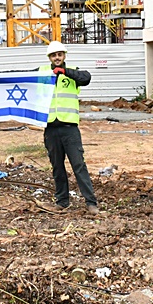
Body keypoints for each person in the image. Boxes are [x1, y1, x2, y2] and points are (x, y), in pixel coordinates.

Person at [41, 40, 98, 214]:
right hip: (51, 128)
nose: (57, 58)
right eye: (53, 55)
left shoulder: (73, 72)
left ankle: (91, 203)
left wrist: (65, 71)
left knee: (78, 164)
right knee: (57, 166)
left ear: (64, 55)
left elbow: (86, 77)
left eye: (59, 54)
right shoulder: (42, 73)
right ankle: (62, 201)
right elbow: (20, 77)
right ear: (49, 57)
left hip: (69, 128)